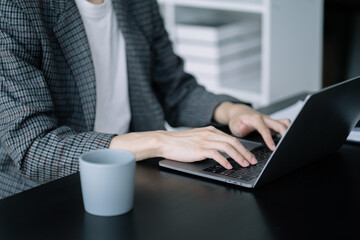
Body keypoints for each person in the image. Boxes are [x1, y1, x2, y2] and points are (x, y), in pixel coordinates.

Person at [0, 0, 290, 199]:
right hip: (43, 195)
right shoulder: (14, 8)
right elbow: (35, 148)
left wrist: (231, 111)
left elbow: (174, 88)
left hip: (133, 177)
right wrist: (160, 141)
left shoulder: (137, 3)